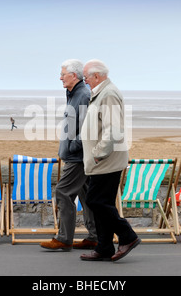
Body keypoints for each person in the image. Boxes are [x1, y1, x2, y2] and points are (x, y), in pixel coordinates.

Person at [80, 59, 140, 262]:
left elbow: (113, 129)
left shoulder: (108, 94)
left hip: (106, 161)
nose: (85, 81)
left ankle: (128, 236)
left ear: (96, 76)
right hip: (101, 161)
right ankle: (104, 247)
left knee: (95, 201)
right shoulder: (101, 93)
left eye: (86, 77)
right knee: (101, 202)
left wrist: (98, 153)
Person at [40, 59, 98, 251]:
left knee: (63, 193)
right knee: (86, 195)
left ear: (74, 75)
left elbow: (89, 129)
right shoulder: (73, 93)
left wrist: (73, 147)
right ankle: (95, 237)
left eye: (63, 74)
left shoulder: (82, 95)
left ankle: (64, 239)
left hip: (78, 157)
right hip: (77, 155)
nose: (60, 77)